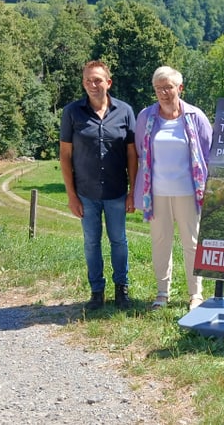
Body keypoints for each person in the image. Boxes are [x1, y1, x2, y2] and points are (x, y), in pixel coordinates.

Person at [59, 60, 138, 311]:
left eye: (97, 80)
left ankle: (121, 290)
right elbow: (65, 156)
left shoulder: (125, 111)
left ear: (108, 82)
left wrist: (132, 192)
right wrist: (71, 196)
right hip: (86, 193)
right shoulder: (72, 112)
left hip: (116, 192)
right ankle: (96, 292)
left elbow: (132, 155)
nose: (92, 85)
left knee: (119, 241)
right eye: (87, 81)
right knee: (91, 243)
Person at [134, 66, 213, 311]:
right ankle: (162, 292)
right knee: (160, 242)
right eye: (159, 88)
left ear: (180, 88)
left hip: (189, 192)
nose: (164, 93)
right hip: (156, 192)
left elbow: (208, 151)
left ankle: (196, 294)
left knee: (192, 243)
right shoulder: (146, 117)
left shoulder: (195, 116)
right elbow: (140, 152)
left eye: (168, 87)